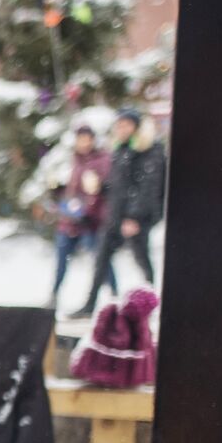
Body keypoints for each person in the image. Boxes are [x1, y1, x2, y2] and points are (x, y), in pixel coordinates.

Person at [70, 108, 167, 319]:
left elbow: (147, 188)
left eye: (125, 125)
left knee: (142, 260)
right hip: (115, 216)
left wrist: (134, 217)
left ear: (136, 127)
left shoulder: (150, 151)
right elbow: (118, 186)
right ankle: (89, 304)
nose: (121, 129)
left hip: (136, 219)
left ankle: (151, 303)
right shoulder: (121, 150)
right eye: (119, 125)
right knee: (101, 259)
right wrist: (100, 187)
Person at [49, 126, 116, 310]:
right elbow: (73, 190)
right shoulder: (74, 159)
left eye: (87, 139)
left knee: (101, 260)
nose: (84, 143)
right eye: (81, 139)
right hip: (70, 221)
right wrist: (58, 192)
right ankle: (53, 296)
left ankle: (114, 295)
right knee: (62, 260)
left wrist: (89, 212)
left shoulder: (102, 160)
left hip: (91, 222)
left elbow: (101, 191)